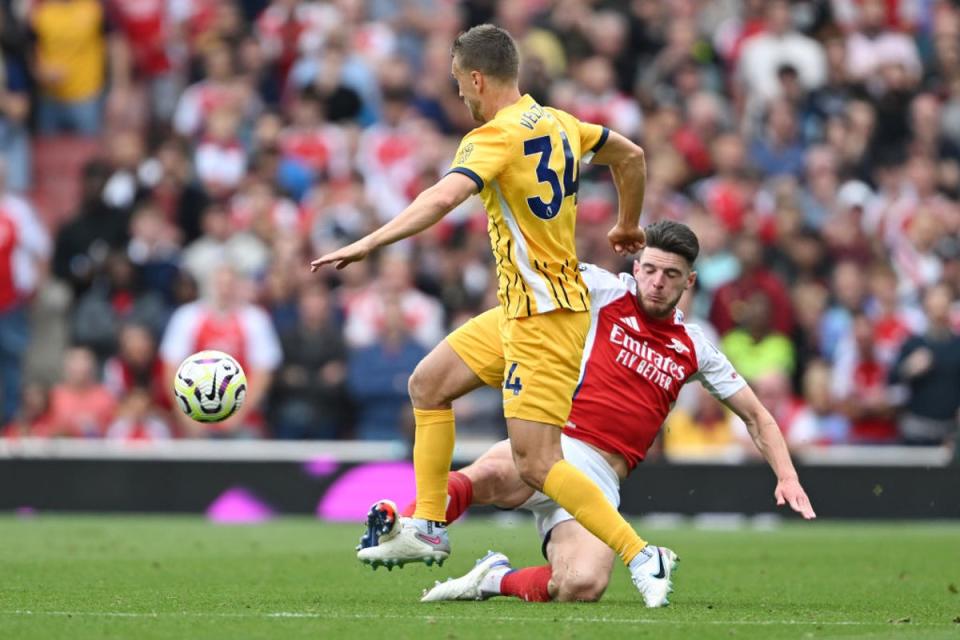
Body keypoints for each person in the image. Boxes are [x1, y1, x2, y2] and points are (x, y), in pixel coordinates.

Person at [311, 24, 663, 604]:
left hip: (546, 320)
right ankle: (426, 524)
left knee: (536, 462)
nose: (459, 97)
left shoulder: (492, 138)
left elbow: (442, 198)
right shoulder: (560, 122)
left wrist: (369, 243)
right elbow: (631, 155)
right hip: (522, 311)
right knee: (428, 384)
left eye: (457, 84)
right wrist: (628, 222)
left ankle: (639, 554)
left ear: (476, 78)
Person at [406, 221, 815, 604]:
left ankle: (493, 578)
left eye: (671, 275)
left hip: (601, 481)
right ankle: (399, 524)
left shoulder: (695, 347)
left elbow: (757, 416)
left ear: (689, 282)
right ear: (636, 267)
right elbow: (544, 267)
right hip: (556, 445)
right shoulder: (605, 291)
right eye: (650, 270)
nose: (657, 282)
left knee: (582, 584)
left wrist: (787, 475)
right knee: (485, 478)